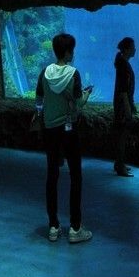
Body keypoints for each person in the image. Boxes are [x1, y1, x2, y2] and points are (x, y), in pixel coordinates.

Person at [35, 32, 93, 243]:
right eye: (72, 50)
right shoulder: (73, 73)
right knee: (76, 176)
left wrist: (42, 117)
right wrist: (86, 94)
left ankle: (53, 226)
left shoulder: (44, 72)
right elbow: (77, 104)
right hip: (69, 130)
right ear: (67, 52)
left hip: (50, 130)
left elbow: (39, 100)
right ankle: (75, 228)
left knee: (52, 176)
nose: (73, 53)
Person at [113, 36, 137, 177]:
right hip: (122, 107)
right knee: (122, 136)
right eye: (133, 47)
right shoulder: (123, 66)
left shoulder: (122, 63)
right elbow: (123, 91)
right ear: (127, 49)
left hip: (122, 104)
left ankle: (119, 163)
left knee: (121, 135)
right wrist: (128, 109)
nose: (135, 49)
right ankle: (120, 167)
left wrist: (131, 103)